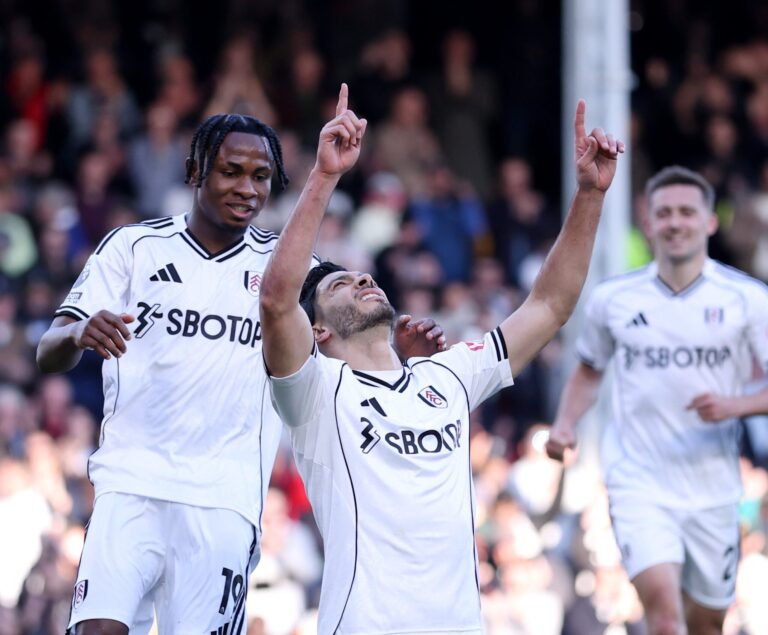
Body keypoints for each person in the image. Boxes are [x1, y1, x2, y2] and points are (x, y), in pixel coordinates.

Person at [36, 111, 444, 634]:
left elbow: (344, 332)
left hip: (224, 501)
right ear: (195, 170)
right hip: (129, 487)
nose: (247, 188)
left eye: (260, 177)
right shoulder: (133, 248)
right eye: (231, 171)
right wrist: (78, 332)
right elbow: (52, 347)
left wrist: (398, 353)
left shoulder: (288, 268)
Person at [259, 83, 623, 634]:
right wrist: (326, 176)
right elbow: (276, 298)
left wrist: (590, 197)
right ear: (319, 332)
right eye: (338, 284)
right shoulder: (314, 392)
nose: (361, 276)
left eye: (359, 274)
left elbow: (549, 305)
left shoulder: (448, 374)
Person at [546, 165, 768, 635]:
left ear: (710, 222)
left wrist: (736, 406)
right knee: (665, 618)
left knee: (705, 623)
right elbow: (588, 372)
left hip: (713, 487)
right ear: (648, 224)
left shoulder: (747, 298)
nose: (675, 222)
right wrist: (565, 424)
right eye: (663, 213)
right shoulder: (614, 299)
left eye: (687, 212)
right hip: (638, 480)